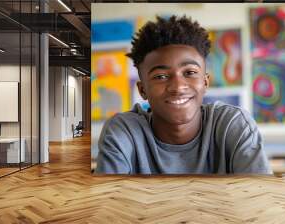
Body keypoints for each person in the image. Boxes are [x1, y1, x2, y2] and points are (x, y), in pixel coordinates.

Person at [95, 15, 272, 175]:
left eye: (189, 72)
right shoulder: (124, 131)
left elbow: (259, 199)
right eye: (161, 76)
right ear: (142, 90)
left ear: (205, 83)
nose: (178, 87)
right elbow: (109, 203)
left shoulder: (233, 124)